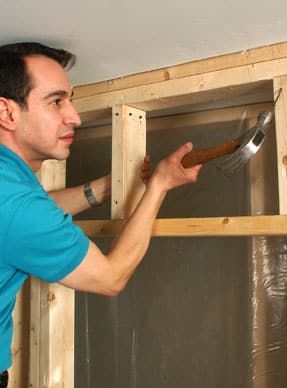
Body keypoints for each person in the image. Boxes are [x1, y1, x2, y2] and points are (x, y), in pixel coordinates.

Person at [0, 42, 202, 387]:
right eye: (56, 101)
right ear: (7, 113)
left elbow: (24, 223)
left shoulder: (10, 187)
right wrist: (158, 187)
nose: (75, 117)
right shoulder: (14, 204)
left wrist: (107, 188)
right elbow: (110, 278)